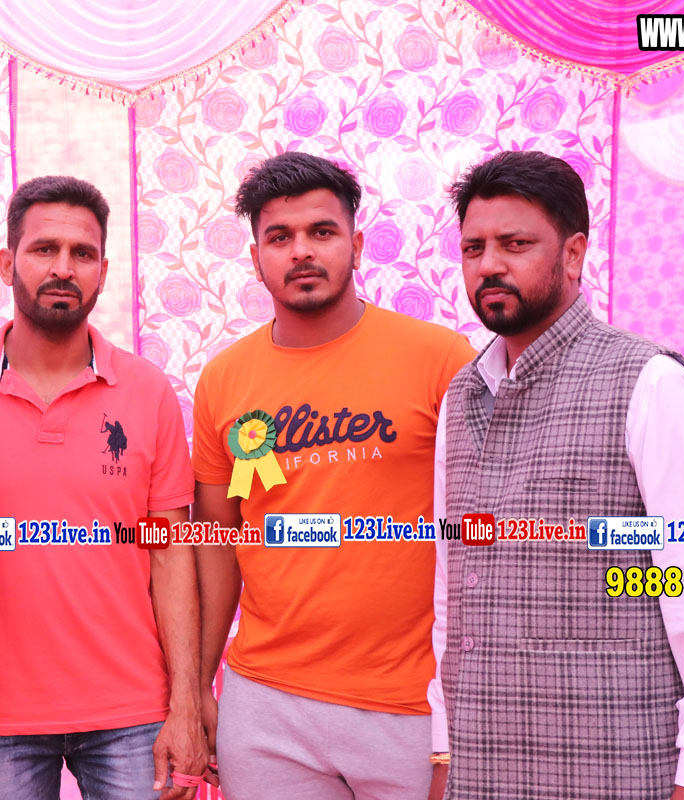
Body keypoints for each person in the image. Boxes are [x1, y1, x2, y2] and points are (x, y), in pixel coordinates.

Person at [428, 150, 684, 800]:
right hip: (482, 767)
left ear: (573, 254)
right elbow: (453, 597)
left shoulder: (649, 381)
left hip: (618, 765)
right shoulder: (461, 396)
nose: (489, 264)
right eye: (474, 248)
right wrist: (444, 751)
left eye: (515, 244)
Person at [192, 151, 476, 799]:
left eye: (322, 231)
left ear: (357, 244)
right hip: (265, 704)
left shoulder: (441, 361)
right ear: (255, 257)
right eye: (279, 237)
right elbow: (216, 542)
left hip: (411, 704)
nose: (301, 251)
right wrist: (199, 684)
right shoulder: (224, 379)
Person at [0, 176, 206, 800]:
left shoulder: (148, 392)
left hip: (134, 713)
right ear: (8, 263)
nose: (63, 267)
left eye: (82, 253)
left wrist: (186, 704)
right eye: (44, 249)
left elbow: (172, 557)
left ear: (103, 272)